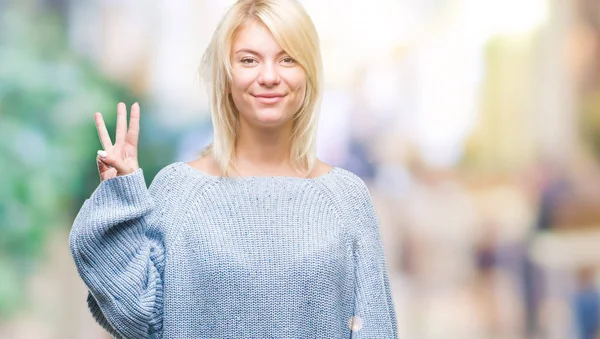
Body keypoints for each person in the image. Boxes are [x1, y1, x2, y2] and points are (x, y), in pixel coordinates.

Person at [69, 0, 398, 338]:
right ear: (225, 77)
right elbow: (138, 318)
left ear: (308, 73)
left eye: (287, 59)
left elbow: (373, 326)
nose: (269, 76)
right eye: (248, 60)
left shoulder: (346, 197)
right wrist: (122, 200)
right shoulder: (178, 191)